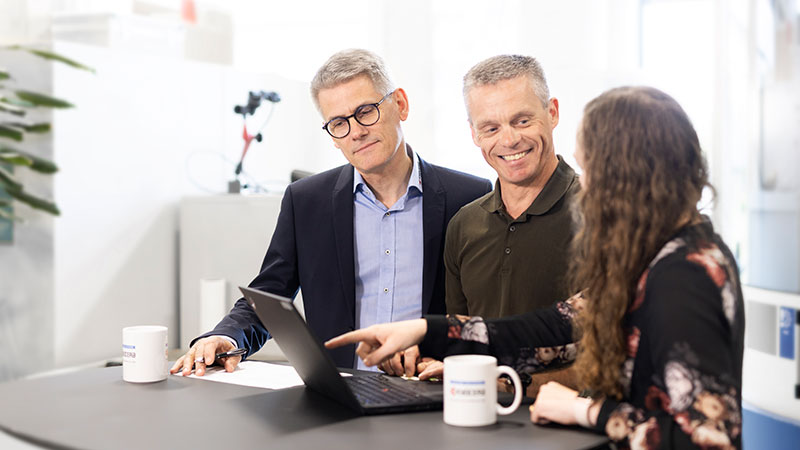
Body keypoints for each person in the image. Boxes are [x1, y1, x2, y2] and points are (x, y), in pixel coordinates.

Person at [326, 86, 744, 449]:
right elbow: (555, 327)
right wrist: (426, 330)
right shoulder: (654, 259)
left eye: (594, 169)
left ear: (627, 178)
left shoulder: (685, 277)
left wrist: (586, 410)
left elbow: (708, 439)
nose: (589, 186)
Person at [171, 49, 491, 376]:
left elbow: (486, 318)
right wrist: (226, 335)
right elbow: (269, 293)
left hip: (435, 389)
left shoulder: (469, 197)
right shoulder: (307, 201)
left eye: (366, 111)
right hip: (339, 397)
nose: (356, 131)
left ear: (401, 104)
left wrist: (441, 345)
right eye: (338, 122)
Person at [407, 55, 580, 392]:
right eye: (491, 128)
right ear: (474, 133)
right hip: (472, 417)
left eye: (522, 120)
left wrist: (509, 386)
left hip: (570, 429)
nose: (510, 140)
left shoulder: (606, 214)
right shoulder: (464, 225)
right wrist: (434, 360)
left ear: (553, 112)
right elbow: (463, 339)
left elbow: (615, 357)